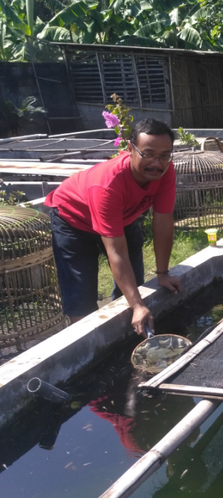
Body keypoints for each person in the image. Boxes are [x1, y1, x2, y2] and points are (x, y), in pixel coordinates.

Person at [45, 118, 182, 337]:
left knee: (133, 286)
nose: (157, 163)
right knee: (81, 296)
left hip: (122, 218)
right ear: (130, 148)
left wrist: (163, 274)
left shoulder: (166, 172)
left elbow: (163, 222)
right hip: (73, 221)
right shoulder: (108, 185)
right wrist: (138, 306)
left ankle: (128, 332)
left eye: (164, 155)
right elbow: (116, 251)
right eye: (148, 154)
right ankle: (85, 347)